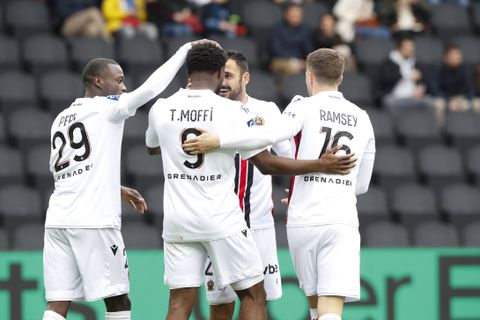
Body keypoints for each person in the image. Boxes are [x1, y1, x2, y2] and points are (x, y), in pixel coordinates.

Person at [145, 43, 356, 320]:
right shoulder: (230, 112)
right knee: (254, 295)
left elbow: (152, 147)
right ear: (220, 72)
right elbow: (266, 163)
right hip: (220, 218)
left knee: (178, 303)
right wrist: (321, 164)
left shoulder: (161, 108)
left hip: (177, 220)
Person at [42, 39, 203, 320]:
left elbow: (65, 172)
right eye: (119, 81)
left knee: (58, 303)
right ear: (98, 81)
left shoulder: (61, 118)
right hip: (94, 220)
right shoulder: (106, 108)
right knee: (118, 300)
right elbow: (150, 90)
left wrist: (113, 188)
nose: (124, 87)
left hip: (57, 220)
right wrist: (184, 51)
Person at [203, 50, 292, 319]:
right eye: (219, 76)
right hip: (218, 223)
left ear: (246, 77)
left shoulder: (266, 110)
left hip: (258, 224)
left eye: (229, 75)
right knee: (221, 303)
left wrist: (299, 189)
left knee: (258, 299)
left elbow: (287, 155)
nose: (223, 82)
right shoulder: (207, 110)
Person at [270, 3, 314, 75]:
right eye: (292, 15)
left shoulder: (305, 30)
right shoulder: (277, 29)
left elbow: (309, 49)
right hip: (281, 60)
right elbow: (276, 50)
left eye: (298, 16)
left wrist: (310, 61)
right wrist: (295, 61)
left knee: (317, 68)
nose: (295, 18)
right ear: (286, 15)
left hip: (301, 61)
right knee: (294, 69)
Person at [46, 0, 112, 42]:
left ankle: (89, 59)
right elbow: (61, 12)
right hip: (65, 25)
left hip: (84, 24)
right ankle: (109, 42)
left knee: (92, 29)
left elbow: (97, 4)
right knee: (94, 12)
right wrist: (82, 13)